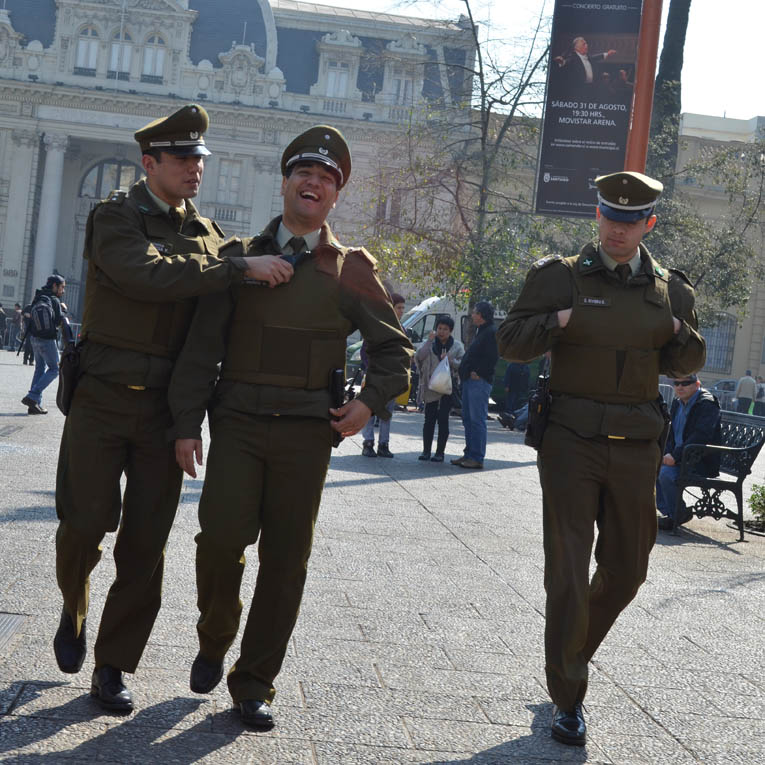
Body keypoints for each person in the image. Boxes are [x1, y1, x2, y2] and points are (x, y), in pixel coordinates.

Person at [168, 124, 413, 730]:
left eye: (327, 178)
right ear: (285, 183)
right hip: (239, 425)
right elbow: (202, 348)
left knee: (285, 562)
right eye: (305, 172)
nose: (314, 183)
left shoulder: (349, 268)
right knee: (219, 540)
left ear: (335, 196)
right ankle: (215, 634)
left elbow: (395, 352)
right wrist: (186, 424)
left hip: (306, 435)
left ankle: (255, 682)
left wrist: (368, 404)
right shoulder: (239, 259)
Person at [52, 103, 285, 714]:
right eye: (182, 158)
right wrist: (234, 267)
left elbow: (209, 329)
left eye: (199, 159)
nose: (194, 168)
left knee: (145, 545)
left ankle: (112, 665)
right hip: (102, 398)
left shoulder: (207, 235)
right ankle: (73, 607)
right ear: (149, 163)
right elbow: (145, 275)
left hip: (162, 412)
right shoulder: (115, 218)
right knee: (83, 523)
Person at [497, 171, 705, 746]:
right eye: (611, 218)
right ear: (598, 216)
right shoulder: (559, 277)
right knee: (567, 568)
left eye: (631, 221)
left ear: (648, 224)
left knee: (629, 569)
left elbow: (685, 360)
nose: (619, 229)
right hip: (571, 442)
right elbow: (511, 342)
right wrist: (559, 320)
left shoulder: (670, 290)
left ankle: (572, 650)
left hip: (637, 445)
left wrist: (675, 328)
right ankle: (569, 696)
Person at [656, 374, 721, 530]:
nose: (680, 387)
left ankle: (676, 514)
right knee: (653, 467)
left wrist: (675, 456)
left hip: (700, 461)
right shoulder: (677, 402)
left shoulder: (707, 403)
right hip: (682, 458)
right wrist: (667, 453)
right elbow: (671, 435)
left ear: (697, 384)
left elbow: (701, 436)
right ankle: (673, 513)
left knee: (665, 474)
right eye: (676, 383)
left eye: (685, 383)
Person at [451, 301, 498, 469]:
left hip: (479, 382)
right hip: (469, 381)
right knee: (468, 419)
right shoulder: (481, 331)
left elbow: (492, 357)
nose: (472, 315)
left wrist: (479, 372)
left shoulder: (491, 332)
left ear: (481, 315)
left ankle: (477, 457)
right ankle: (469, 454)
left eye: (475, 312)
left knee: (477, 420)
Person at [361, 292, 407, 457]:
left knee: (387, 413)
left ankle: (383, 444)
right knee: (370, 411)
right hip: (375, 376)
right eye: (398, 307)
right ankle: (368, 443)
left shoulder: (402, 330)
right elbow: (365, 351)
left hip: (392, 378)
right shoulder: (377, 326)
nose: (401, 311)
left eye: (403, 308)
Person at [415, 315, 465, 461]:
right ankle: (426, 451)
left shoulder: (457, 346)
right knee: (429, 419)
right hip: (430, 387)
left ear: (451, 331)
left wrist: (450, 360)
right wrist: (428, 341)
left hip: (447, 388)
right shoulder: (429, 343)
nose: (442, 332)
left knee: (443, 420)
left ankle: (440, 453)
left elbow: (462, 364)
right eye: (439, 328)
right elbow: (419, 357)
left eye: (445, 329)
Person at [20, 275, 66, 414]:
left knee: (39, 369)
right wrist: (64, 310)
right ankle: (32, 396)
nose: (63, 291)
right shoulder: (54, 300)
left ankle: (34, 405)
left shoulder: (39, 296)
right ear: (54, 286)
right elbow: (58, 322)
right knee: (54, 369)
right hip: (47, 340)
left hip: (34, 338)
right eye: (62, 287)